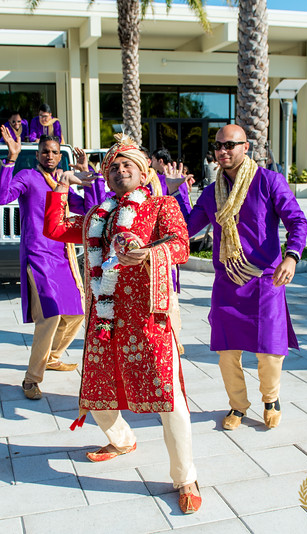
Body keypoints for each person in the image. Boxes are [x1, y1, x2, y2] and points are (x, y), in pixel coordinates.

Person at [43, 134, 201, 515]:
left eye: (127, 164)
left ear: (144, 172)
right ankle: (123, 439)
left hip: (149, 318)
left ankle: (186, 477)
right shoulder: (100, 215)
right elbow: (56, 228)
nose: (119, 170)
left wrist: (149, 253)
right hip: (107, 321)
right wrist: (61, 187)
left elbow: (181, 245)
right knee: (97, 394)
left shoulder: (160, 205)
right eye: (113, 166)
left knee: (171, 402)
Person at [183, 124, 307, 431]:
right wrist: (175, 193)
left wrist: (291, 256)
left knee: (269, 351)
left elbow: (297, 221)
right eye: (219, 146)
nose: (223, 151)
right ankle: (238, 405)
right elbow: (187, 227)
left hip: (266, 279)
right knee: (226, 352)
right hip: (228, 280)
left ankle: (271, 399)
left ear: (246, 146)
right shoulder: (213, 193)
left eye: (230, 145)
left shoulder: (269, 181)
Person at [0, 126, 86, 400]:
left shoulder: (62, 181)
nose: (50, 155)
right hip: (38, 255)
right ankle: (31, 379)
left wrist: (87, 176)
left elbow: (87, 208)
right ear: (37, 153)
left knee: (77, 312)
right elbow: (2, 197)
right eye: (45, 151)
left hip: (63, 255)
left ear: (61, 156)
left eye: (55, 152)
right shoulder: (28, 177)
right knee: (49, 315)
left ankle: (53, 357)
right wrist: (11, 159)